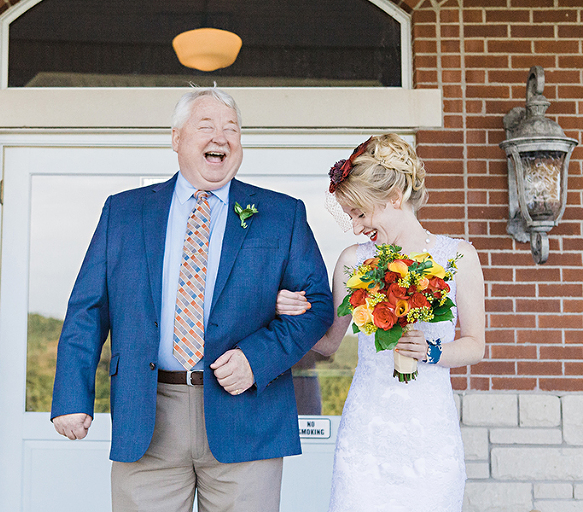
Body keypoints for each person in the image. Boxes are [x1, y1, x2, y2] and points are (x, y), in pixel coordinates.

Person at [51, 87, 334, 512]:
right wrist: (72, 397)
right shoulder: (123, 212)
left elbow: (318, 307)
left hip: (247, 416)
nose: (221, 137)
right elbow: (87, 311)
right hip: (148, 416)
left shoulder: (282, 214)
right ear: (176, 138)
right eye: (206, 127)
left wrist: (255, 359)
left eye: (231, 129)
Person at [276, 133, 485, 511]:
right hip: (367, 435)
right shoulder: (353, 260)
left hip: (429, 434)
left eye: (361, 214)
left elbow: (475, 344)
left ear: (395, 197)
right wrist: (289, 313)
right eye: (350, 216)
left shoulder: (459, 257)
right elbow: (329, 343)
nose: (355, 227)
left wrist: (432, 351)